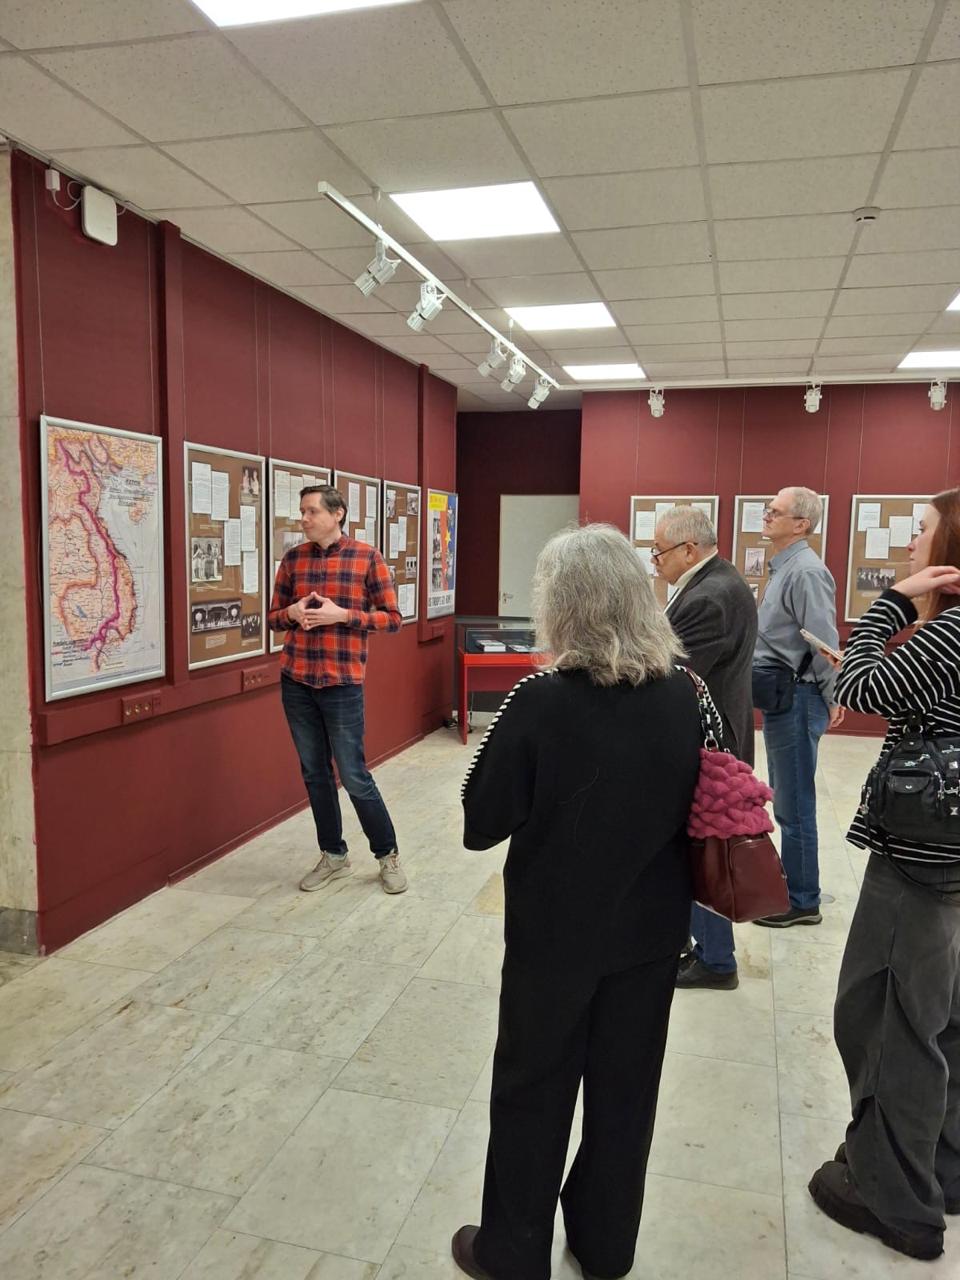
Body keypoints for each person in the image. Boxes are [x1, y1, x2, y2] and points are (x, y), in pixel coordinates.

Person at [452, 523, 702, 1280]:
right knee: (627, 1091)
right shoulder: (687, 693)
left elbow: (481, 822)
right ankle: (604, 1244)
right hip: (652, 931)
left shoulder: (539, 700)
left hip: (553, 936)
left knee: (532, 1085)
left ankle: (512, 1249)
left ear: (561, 605)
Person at [808, 490, 960, 1262]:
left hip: (920, 859)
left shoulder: (952, 631)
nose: (910, 545)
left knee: (887, 1017)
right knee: (941, 1013)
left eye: (923, 531)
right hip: (948, 857)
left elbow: (861, 690)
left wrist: (890, 605)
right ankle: (942, 1166)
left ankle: (896, 1199)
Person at [267, 485, 406, 895]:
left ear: (337, 513)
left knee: (354, 775)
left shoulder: (367, 557)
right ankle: (333, 855)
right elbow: (272, 619)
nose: (304, 518)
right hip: (296, 680)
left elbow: (393, 619)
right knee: (315, 774)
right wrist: (291, 613)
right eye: (302, 511)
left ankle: (387, 855)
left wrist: (341, 615)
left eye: (311, 511)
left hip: (342, 682)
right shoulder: (293, 559)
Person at [654, 505, 758, 990]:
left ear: (689, 549)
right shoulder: (719, 581)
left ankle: (716, 960)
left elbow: (672, 674)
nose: (656, 561)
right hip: (719, 735)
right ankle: (701, 948)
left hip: (709, 745)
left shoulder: (709, 597)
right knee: (702, 844)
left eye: (660, 552)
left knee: (705, 847)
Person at [753, 486, 842, 927]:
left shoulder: (805, 572)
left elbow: (824, 641)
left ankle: (803, 900)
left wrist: (832, 695)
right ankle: (797, 888)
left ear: (801, 524)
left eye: (775, 511)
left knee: (795, 803)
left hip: (800, 697)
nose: (766, 516)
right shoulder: (785, 567)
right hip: (785, 697)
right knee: (788, 798)